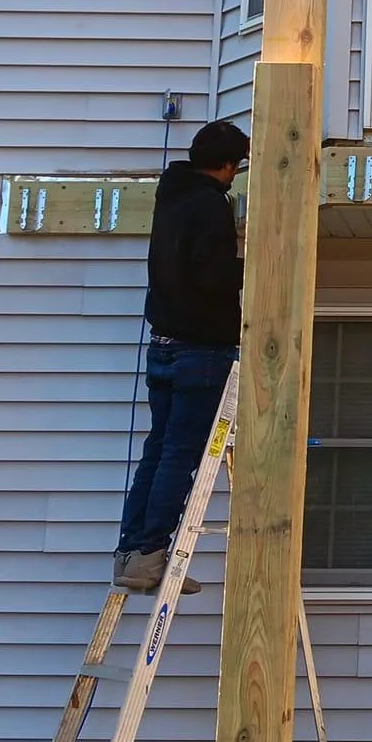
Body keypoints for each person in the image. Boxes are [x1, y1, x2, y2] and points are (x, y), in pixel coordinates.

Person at [112, 118, 249, 594]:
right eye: (238, 168)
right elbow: (212, 277)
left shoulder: (170, 199)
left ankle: (133, 553)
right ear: (228, 165)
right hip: (200, 349)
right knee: (179, 455)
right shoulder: (210, 206)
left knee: (158, 449)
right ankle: (152, 554)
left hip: (166, 345)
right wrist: (252, 264)